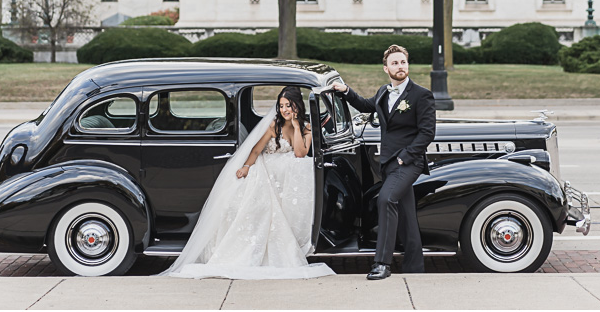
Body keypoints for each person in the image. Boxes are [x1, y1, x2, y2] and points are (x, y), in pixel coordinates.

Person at [162, 86, 334, 280]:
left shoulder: (306, 127)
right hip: (266, 170)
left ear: (297, 106)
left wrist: (296, 126)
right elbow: (255, 150)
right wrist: (246, 167)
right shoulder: (274, 125)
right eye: (282, 106)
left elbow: (300, 153)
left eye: (289, 105)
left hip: (285, 177)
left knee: (301, 165)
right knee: (257, 203)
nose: (285, 110)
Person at [332, 44, 436, 280]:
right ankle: (414, 268)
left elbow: (427, 133)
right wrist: (345, 91)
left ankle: (382, 263)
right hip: (388, 162)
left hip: (408, 163)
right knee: (408, 216)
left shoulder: (421, 95)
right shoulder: (383, 92)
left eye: (403, 62)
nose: (400, 67)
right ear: (386, 68)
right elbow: (367, 106)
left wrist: (404, 157)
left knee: (387, 200)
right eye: (395, 63)